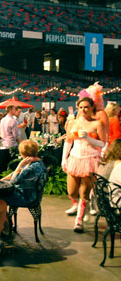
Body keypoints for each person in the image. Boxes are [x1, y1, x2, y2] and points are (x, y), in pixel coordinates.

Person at [62, 97, 105, 233]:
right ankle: (82, 206)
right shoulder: (72, 122)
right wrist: (64, 158)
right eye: (81, 107)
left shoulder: (97, 124)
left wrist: (88, 137)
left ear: (92, 107)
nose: (83, 110)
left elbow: (103, 143)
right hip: (75, 158)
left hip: (91, 159)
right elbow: (68, 141)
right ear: (77, 108)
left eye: (86, 107)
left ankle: (79, 221)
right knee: (72, 191)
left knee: (84, 192)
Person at [1, 140, 46, 206]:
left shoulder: (32, 168)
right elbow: (15, 173)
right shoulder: (34, 162)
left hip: (26, 197)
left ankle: (0, 215)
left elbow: (13, 181)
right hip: (27, 194)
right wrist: (1, 180)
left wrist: (20, 165)